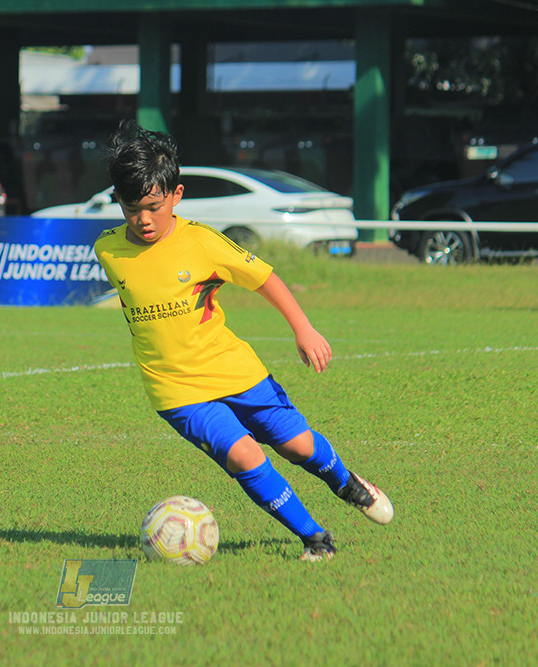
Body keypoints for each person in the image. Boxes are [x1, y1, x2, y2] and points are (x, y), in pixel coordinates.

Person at [94, 120, 393, 561]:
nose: (143, 219)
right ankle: (316, 538)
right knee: (245, 456)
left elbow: (264, 278)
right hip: (175, 390)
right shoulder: (108, 250)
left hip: (234, 370)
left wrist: (303, 328)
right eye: (131, 208)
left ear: (176, 195)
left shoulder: (202, 242)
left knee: (297, 446)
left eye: (154, 207)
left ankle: (346, 483)